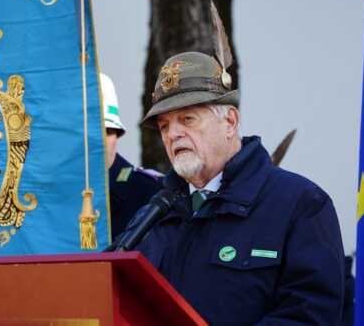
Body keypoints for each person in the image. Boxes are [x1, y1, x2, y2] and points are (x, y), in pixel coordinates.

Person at [128, 51, 345, 325]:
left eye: (187, 119)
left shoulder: (301, 204)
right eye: (164, 126)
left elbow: (310, 316)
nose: (173, 134)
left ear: (230, 122)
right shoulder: (152, 216)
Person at [100, 73, 162, 239]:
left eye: (107, 132)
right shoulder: (52, 193)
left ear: (117, 135)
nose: (99, 142)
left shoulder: (150, 192)